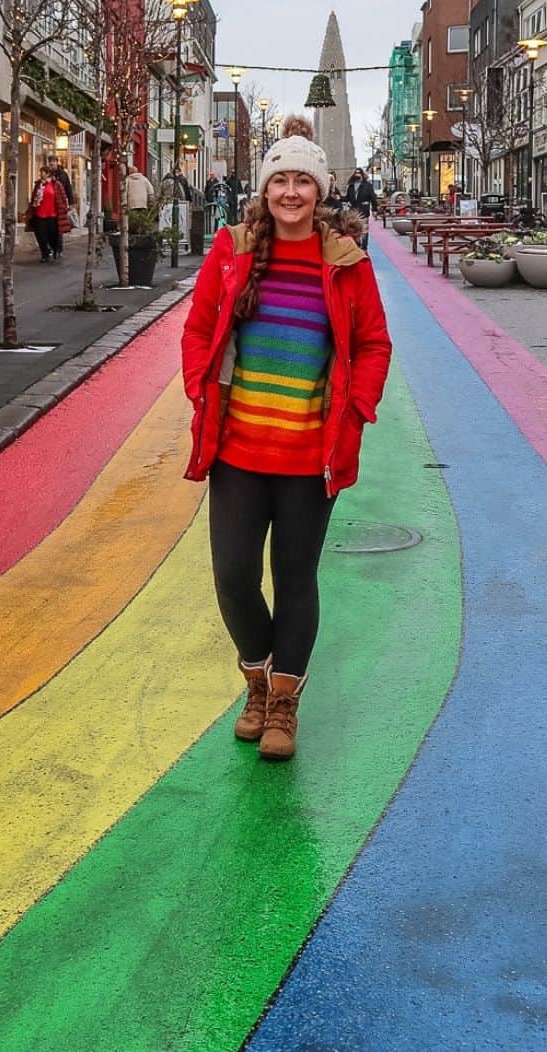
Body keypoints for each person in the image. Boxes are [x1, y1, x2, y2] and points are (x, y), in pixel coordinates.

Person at [182, 115, 392, 762]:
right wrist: (200, 387)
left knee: (294, 577)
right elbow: (197, 329)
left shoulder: (346, 261)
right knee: (233, 577)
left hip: (309, 455)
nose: (292, 192)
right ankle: (257, 675)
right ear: (266, 187)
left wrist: (355, 410)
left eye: (304, 180)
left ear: (321, 190)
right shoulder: (233, 249)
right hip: (238, 450)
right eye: (282, 180)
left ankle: (282, 701)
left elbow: (373, 343)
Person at [28, 162, 71, 262]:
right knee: (41, 236)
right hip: (39, 214)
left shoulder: (56, 184)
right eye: (40, 173)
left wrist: (64, 208)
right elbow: (34, 197)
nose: (41, 174)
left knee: (53, 235)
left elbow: (63, 197)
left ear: (48, 174)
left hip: (52, 214)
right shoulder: (38, 184)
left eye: (42, 172)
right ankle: (45, 254)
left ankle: (56, 250)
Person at [344, 167, 377, 251]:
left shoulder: (368, 185)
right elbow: (347, 198)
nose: (357, 174)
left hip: (363, 210)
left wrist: (374, 209)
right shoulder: (351, 186)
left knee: (364, 229)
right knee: (354, 228)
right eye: (356, 172)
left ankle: (364, 247)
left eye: (359, 172)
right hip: (353, 211)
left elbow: (373, 198)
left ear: (362, 175)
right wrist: (338, 198)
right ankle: (356, 245)